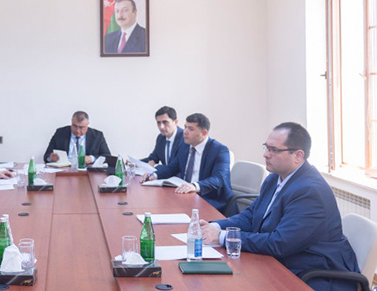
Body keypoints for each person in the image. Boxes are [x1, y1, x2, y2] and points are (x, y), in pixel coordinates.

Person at [200, 123, 359, 291]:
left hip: (314, 274)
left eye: (274, 150)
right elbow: (251, 216)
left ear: (298, 155)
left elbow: (280, 243)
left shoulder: (310, 191)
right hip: (283, 261)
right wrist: (214, 227)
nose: (265, 154)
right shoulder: (274, 178)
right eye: (266, 147)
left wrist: (223, 237)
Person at [143, 113, 233, 214]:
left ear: (204, 133)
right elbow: (172, 168)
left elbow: (219, 179)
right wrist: (154, 175)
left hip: (210, 200)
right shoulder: (185, 147)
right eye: (185, 127)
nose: (185, 132)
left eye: (190, 129)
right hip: (186, 197)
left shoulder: (219, 150)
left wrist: (195, 186)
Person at [43, 111, 110, 165]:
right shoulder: (60, 133)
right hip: (64, 170)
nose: (77, 130)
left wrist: (91, 158)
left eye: (81, 127)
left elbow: (107, 156)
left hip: (87, 171)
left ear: (87, 125)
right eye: (74, 126)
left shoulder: (97, 136)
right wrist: (51, 158)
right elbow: (46, 156)